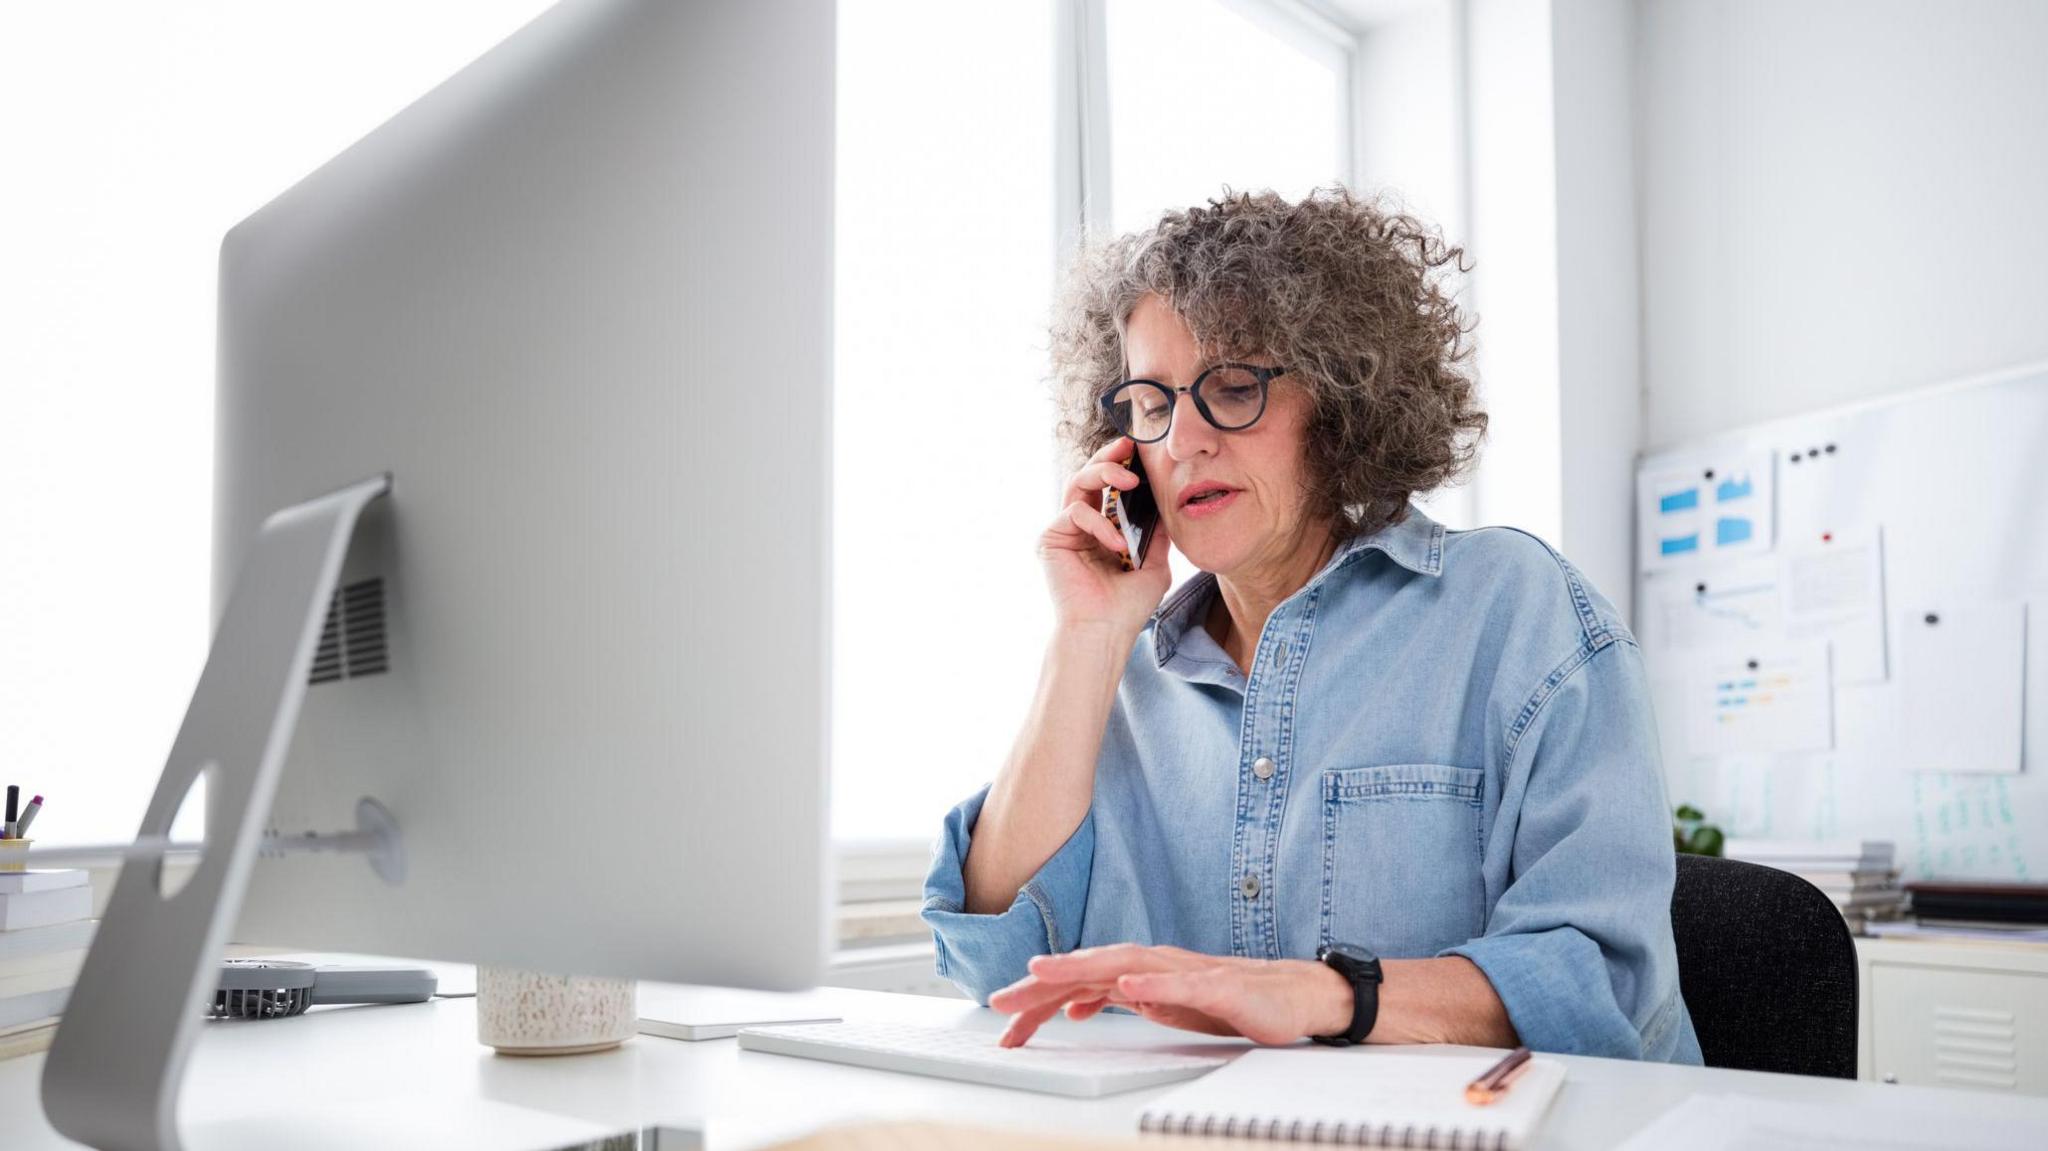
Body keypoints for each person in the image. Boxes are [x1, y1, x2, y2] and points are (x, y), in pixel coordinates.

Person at [921, 187, 1701, 1063]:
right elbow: (996, 962)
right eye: (1151, 402)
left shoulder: (1517, 612)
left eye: (1232, 387)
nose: (1183, 440)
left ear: (1339, 400)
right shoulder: (1116, 672)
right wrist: (1087, 637)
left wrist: (1328, 995)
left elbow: (1605, 980)